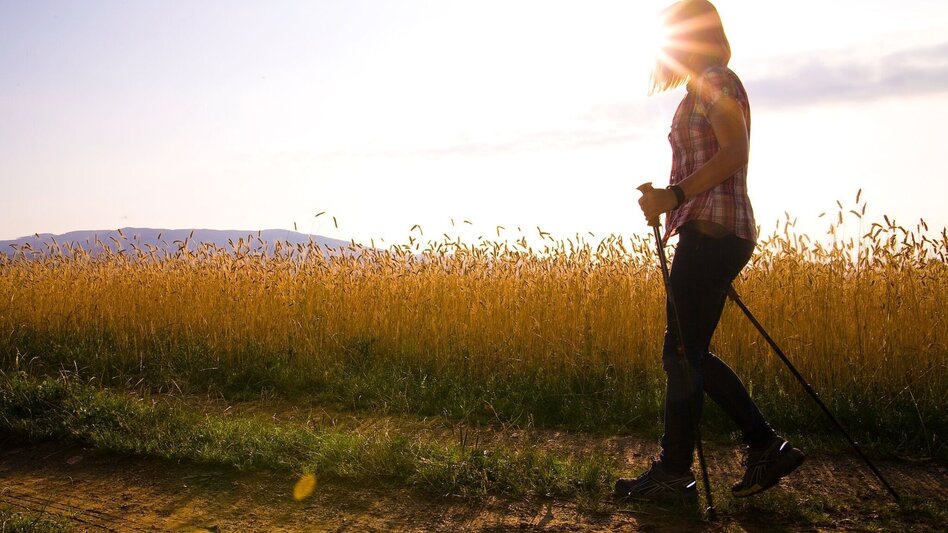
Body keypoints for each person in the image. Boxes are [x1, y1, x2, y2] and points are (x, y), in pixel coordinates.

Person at [614, 0, 804, 504]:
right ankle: (764, 446)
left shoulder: (716, 79)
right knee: (687, 353)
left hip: (713, 231)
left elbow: (735, 150)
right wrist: (668, 201)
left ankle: (678, 473)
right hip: (715, 231)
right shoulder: (703, 85)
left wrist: (674, 197)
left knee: (680, 354)